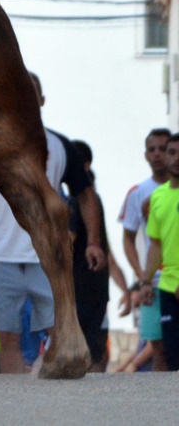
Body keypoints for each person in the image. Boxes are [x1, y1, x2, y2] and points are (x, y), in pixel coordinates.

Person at [0, 72, 104, 374]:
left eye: (32, 91)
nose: (26, 96)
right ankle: (15, 394)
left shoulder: (60, 146)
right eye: (19, 90)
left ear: (42, 99)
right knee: (7, 336)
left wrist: (94, 242)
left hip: (47, 256)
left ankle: (54, 387)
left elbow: (85, 194)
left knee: (58, 328)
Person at [69, 139, 130, 372]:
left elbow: (67, 243)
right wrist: (125, 290)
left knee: (82, 354)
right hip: (96, 291)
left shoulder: (77, 201)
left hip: (79, 291)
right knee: (94, 355)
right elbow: (108, 255)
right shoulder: (97, 202)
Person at [119, 127, 171, 371]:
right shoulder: (138, 193)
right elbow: (128, 238)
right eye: (152, 149)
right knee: (157, 346)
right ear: (146, 155)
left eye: (164, 149)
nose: (158, 154)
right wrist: (142, 276)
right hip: (154, 280)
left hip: (174, 277)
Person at [139, 131, 179, 370]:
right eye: (172, 152)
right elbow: (156, 244)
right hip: (166, 288)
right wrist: (145, 281)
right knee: (171, 356)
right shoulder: (158, 197)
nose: (176, 158)